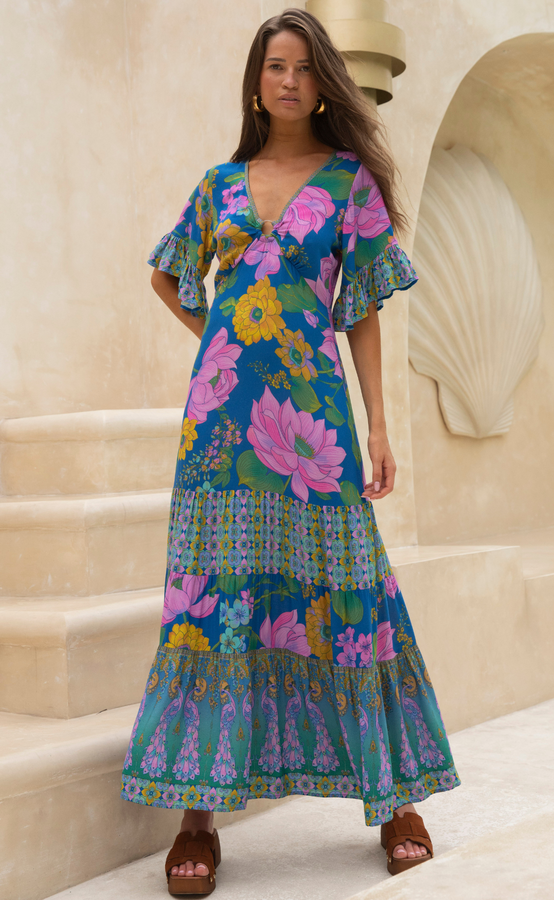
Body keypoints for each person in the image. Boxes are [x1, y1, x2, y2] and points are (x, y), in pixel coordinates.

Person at [121, 8, 460, 895]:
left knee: (351, 592)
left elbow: (363, 309)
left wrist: (378, 425)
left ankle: (395, 802)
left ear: (323, 85)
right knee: (212, 598)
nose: (290, 81)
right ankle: (197, 819)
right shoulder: (219, 186)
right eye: (276, 65)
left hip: (316, 427)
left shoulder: (349, 183)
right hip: (220, 427)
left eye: (305, 68)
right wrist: (222, 343)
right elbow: (167, 274)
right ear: (256, 80)